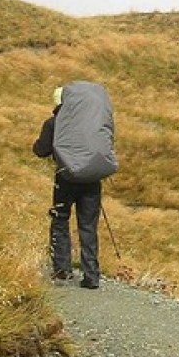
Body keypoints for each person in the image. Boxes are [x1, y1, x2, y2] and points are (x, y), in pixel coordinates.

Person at [33, 86, 103, 289]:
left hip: (65, 178)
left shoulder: (53, 124)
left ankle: (62, 270)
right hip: (91, 180)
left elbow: (41, 150)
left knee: (60, 218)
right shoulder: (90, 122)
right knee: (88, 226)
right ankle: (91, 275)